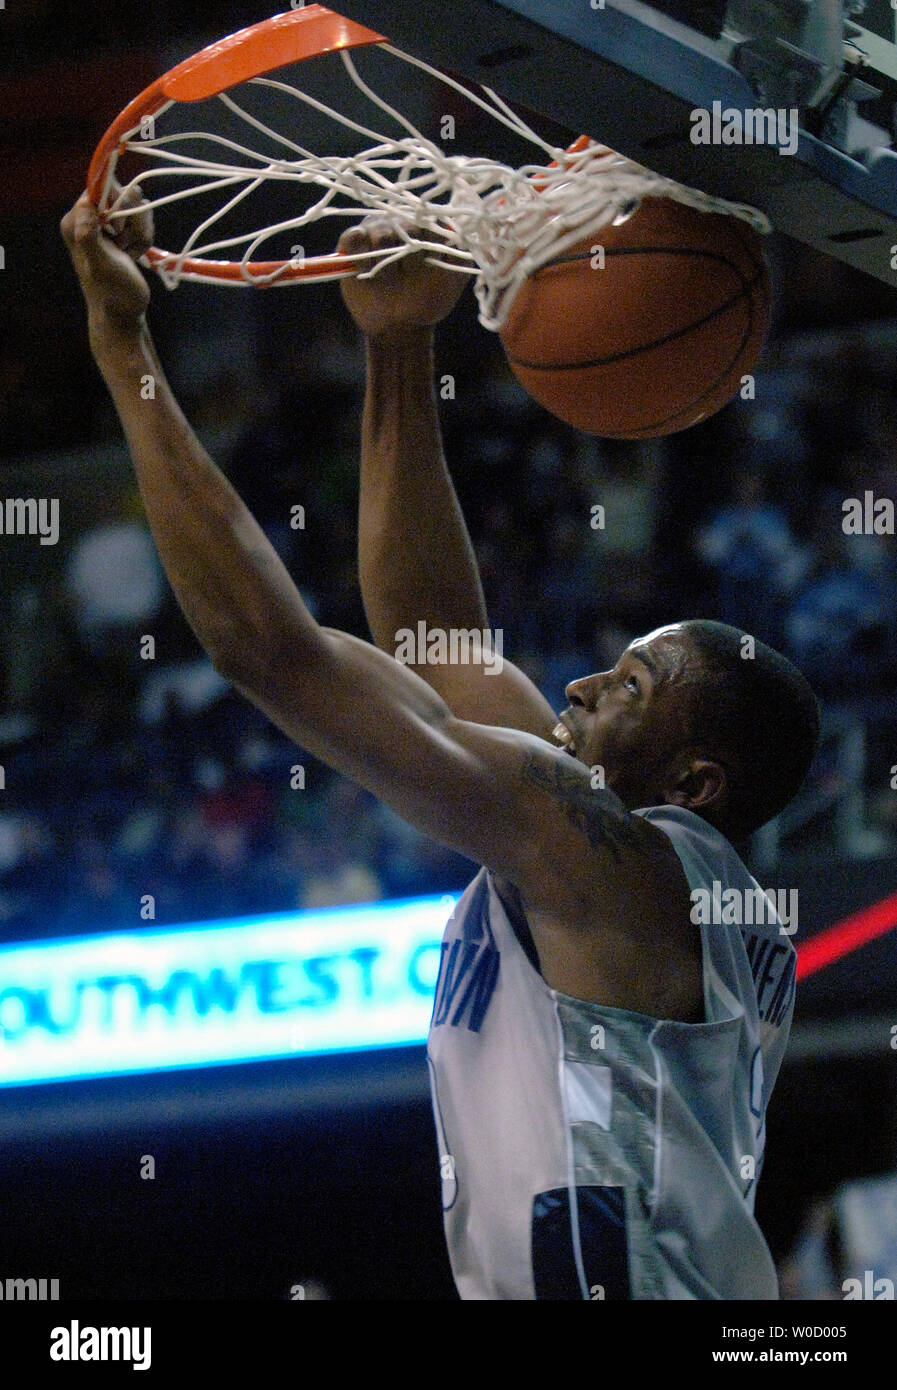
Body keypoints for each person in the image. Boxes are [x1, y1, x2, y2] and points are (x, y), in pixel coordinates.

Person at [62, 191, 819, 1301]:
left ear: (693, 778)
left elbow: (267, 651)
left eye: (629, 682)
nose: (578, 680)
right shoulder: (629, 864)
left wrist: (123, 346)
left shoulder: (619, 861)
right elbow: (436, 643)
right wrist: (402, 345)